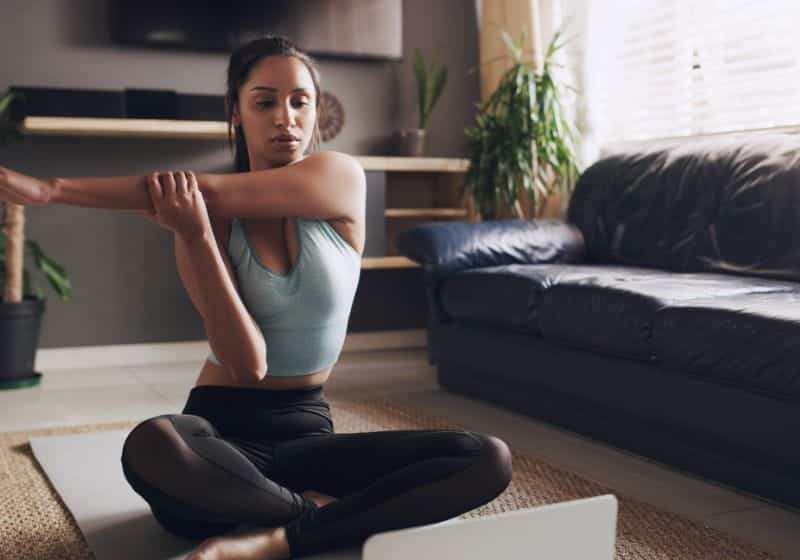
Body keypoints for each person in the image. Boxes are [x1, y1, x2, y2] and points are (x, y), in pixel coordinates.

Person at [0, 35, 513, 560]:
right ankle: (313, 517)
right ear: (237, 112)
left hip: (309, 436)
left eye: (300, 101)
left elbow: (208, 189)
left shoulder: (339, 178)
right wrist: (197, 237)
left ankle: (275, 535)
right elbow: (247, 364)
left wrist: (53, 189)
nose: (285, 117)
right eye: (265, 102)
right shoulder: (206, 220)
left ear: (317, 110)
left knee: (484, 458)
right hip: (219, 443)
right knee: (154, 443)